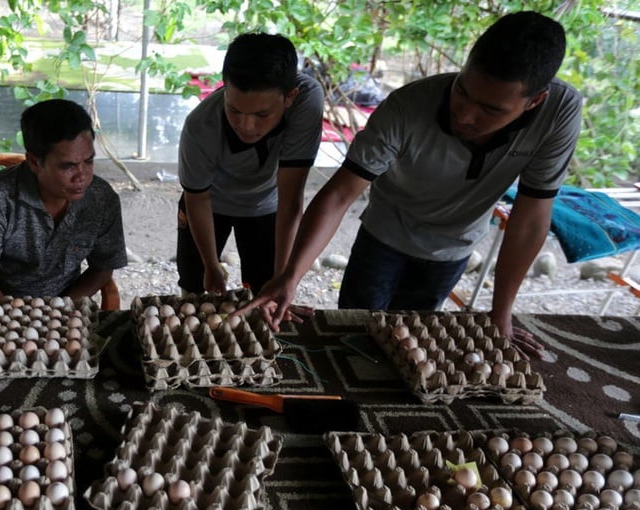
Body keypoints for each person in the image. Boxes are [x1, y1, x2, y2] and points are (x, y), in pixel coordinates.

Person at [239, 11, 581, 359]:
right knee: (354, 337)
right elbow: (341, 193)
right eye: (461, 91)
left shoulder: (560, 112)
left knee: (411, 346)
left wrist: (500, 315)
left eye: (490, 110)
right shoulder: (406, 108)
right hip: (385, 234)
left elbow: (532, 213)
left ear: (534, 101)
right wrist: (291, 276)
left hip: (453, 246)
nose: (464, 115)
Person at [176, 32, 325, 300]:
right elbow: (197, 199)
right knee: (194, 283)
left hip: (266, 205)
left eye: (261, 115)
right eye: (234, 110)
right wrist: (211, 264)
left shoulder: (306, 101)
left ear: (289, 97)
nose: (246, 126)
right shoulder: (200, 126)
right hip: (211, 205)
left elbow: (291, 196)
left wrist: (282, 277)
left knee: (265, 284)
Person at [0, 99, 128, 303]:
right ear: (35, 163)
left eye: (89, 161)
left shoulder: (101, 199)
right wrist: (13, 318)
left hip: (65, 304)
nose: (82, 176)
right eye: (68, 166)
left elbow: (103, 267)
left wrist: (60, 309)